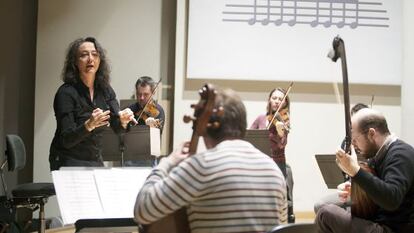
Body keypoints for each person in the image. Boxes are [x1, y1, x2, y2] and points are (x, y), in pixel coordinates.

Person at [134, 88, 287, 233]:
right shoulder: (274, 171)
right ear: (243, 124)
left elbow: (142, 211)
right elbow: (281, 227)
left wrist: (168, 161)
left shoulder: (200, 166)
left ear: (205, 127)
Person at [315, 108, 414, 233]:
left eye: (355, 140)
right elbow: (377, 188)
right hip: (378, 221)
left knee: (326, 214)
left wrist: (356, 171)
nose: (354, 145)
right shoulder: (378, 155)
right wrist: (358, 190)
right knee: (323, 207)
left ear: (371, 134)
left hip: (392, 229)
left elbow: (391, 199)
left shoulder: (401, 154)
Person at [49, 37, 136, 171]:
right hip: (68, 158)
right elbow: (66, 139)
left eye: (95, 54)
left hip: (94, 158)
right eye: (84, 55)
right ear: (75, 62)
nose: (90, 59)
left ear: (100, 60)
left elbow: (117, 127)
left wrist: (123, 121)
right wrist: (89, 125)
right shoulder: (65, 93)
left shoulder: (105, 90)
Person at [314, 103, 369, 214]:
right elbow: (343, 172)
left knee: (350, 210)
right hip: (349, 188)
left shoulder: (371, 143)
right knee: (319, 206)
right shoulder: (347, 141)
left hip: (365, 192)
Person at [250, 87, 294, 222]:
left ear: (285, 103)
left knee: (279, 198)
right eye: (274, 98)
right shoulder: (261, 118)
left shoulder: (284, 120)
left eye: (280, 99)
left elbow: (282, 144)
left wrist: (281, 132)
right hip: (260, 163)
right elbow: (249, 137)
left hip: (277, 163)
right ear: (269, 100)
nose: (277, 101)